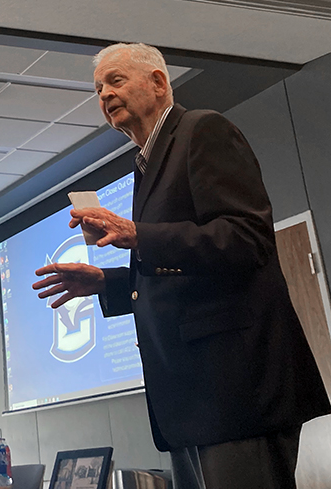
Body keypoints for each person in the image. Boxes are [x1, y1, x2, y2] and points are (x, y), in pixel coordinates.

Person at [32, 42, 331, 489]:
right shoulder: (145, 163)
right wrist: (106, 283)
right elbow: (180, 272)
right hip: (194, 400)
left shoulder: (202, 131)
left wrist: (139, 235)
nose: (104, 96)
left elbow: (246, 238)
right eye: (97, 89)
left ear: (158, 82)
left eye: (115, 81)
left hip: (235, 391)